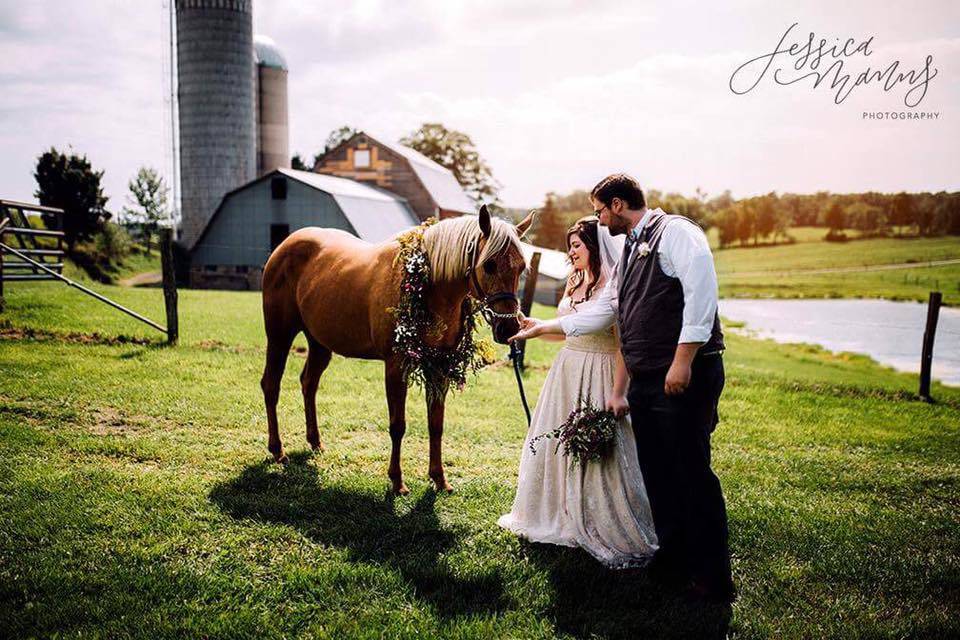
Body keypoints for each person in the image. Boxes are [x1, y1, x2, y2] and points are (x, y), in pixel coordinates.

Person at [509, 174, 733, 602]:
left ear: (617, 203)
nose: (597, 219)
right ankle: (673, 562)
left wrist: (682, 361)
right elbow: (610, 314)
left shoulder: (678, 233)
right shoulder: (629, 247)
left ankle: (711, 578)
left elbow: (702, 296)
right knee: (658, 474)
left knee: (691, 473)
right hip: (646, 379)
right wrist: (543, 328)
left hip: (682, 373)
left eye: (598, 210)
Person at [497, 215, 658, 569]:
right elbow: (568, 333)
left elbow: (621, 346)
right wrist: (536, 326)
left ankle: (603, 518)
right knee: (559, 443)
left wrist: (618, 392)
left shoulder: (614, 288)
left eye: (577, 245)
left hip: (600, 371)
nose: (571, 252)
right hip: (567, 370)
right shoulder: (575, 280)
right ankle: (557, 512)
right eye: (570, 246)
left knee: (601, 451)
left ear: (596, 247)